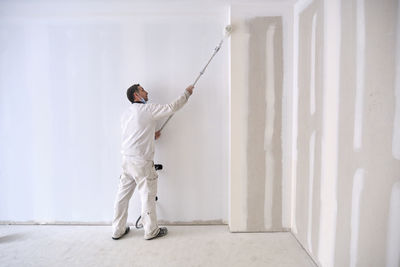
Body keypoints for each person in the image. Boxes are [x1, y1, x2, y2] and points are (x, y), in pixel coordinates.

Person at [112, 83, 194, 240]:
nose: (146, 92)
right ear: (136, 95)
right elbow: (172, 107)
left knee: (122, 196)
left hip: (127, 161)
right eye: (143, 90)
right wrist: (187, 93)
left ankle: (117, 230)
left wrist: (150, 135)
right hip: (142, 162)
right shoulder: (147, 109)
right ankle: (151, 231)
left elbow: (133, 134)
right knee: (147, 195)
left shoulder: (126, 114)